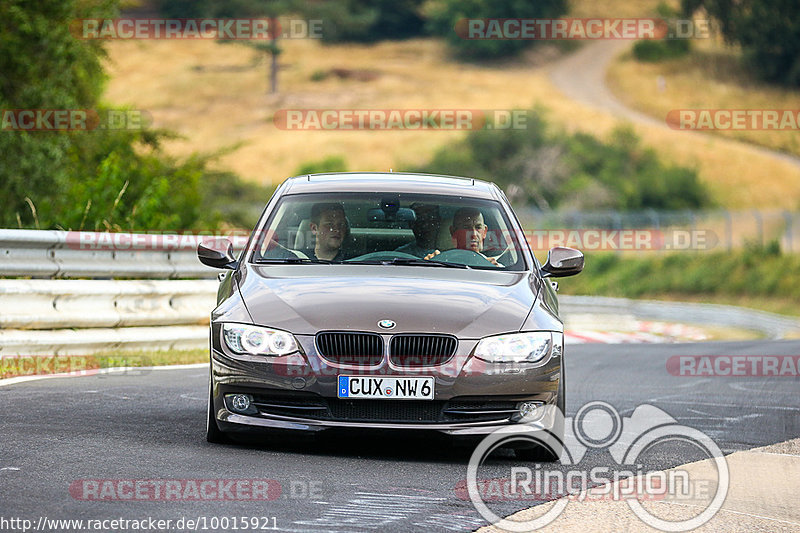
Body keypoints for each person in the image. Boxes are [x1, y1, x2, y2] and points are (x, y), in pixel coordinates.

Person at [424, 207, 501, 266]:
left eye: (478, 228)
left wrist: (495, 271)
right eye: (466, 228)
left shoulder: (494, 267)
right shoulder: (437, 261)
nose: (474, 234)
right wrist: (427, 264)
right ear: (453, 232)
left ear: (484, 232)